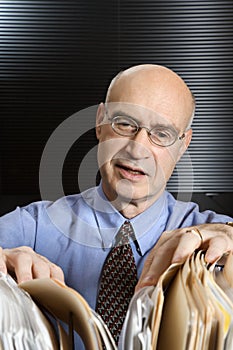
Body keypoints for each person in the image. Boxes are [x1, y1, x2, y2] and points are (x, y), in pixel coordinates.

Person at [0, 64, 233, 348]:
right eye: (124, 123)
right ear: (100, 122)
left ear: (183, 145)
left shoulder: (213, 235)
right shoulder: (33, 226)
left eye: (161, 134)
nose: (137, 149)